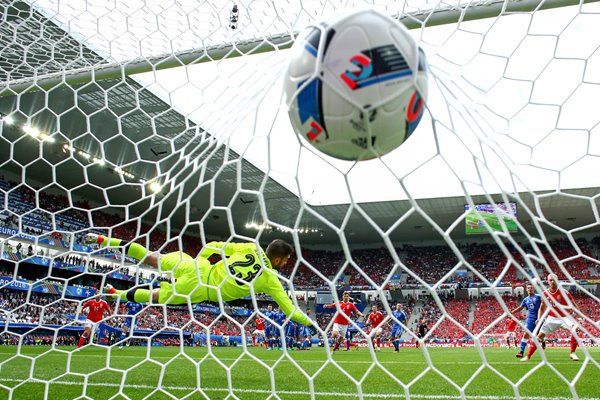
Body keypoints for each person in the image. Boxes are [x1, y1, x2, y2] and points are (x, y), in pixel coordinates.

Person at [85, 234, 316, 334]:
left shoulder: (250, 247)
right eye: (285, 260)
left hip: (198, 267)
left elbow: (215, 244)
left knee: (151, 258)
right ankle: (116, 294)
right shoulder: (270, 278)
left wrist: (201, 260)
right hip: (199, 290)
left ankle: (104, 240)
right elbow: (290, 310)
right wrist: (311, 324)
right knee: (155, 296)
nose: (285, 264)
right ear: (277, 259)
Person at [522, 274, 582, 362]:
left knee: (575, 329)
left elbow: (573, 304)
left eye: (553, 280)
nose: (552, 282)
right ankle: (528, 356)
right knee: (539, 336)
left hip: (565, 317)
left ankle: (572, 353)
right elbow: (541, 307)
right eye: (550, 280)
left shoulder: (565, 292)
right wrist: (539, 318)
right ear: (548, 281)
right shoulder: (545, 294)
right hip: (552, 318)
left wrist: (580, 315)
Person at [511, 282, 542, 358]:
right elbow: (520, 308)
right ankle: (521, 352)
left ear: (533, 289)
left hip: (540, 318)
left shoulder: (538, 297)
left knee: (540, 335)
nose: (530, 289)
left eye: (531, 288)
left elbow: (545, 303)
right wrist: (512, 312)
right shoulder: (525, 300)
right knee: (526, 334)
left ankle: (543, 342)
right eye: (528, 288)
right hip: (530, 319)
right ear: (526, 289)